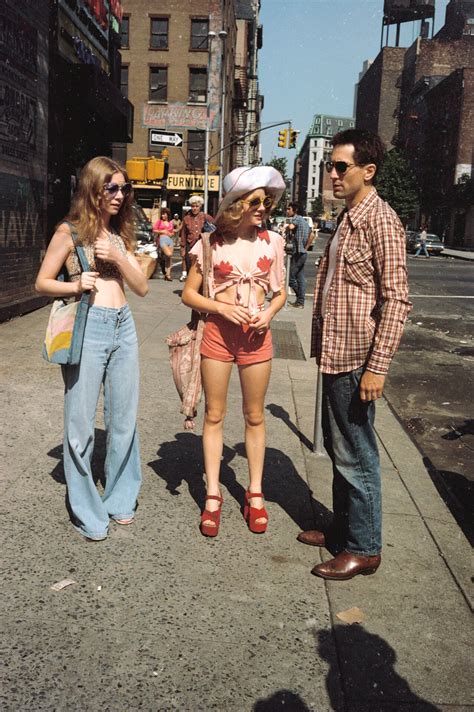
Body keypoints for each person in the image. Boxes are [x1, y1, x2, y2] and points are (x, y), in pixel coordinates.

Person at [298, 129, 411, 580]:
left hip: (357, 359)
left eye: (341, 166)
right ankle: (343, 530)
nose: (333, 173)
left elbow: (398, 299)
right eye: (331, 165)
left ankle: (364, 548)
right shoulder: (348, 217)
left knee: (356, 454)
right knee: (338, 446)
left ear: (369, 171)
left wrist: (377, 367)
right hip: (336, 354)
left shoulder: (380, 220)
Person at [35, 156, 149, 541]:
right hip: (90, 328)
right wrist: (75, 284)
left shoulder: (120, 232)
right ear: (93, 189)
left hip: (124, 326)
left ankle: (120, 498)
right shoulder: (69, 232)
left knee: (123, 420)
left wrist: (117, 255)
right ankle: (86, 508)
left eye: (124, 188)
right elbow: (42, 282)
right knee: (81, 425)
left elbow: (142, 287)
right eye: (112, 188)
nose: (120, 195)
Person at [182, 166, 286, 537]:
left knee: (255, 416)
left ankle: (254, 495)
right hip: (218, 336)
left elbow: (280, 293)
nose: (263, 207)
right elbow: (189, 294)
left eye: (266, 201)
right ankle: (213, 496)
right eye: (255, 200)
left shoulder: (272, 242)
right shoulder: (210, 245)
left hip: (257, 338)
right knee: (214, 414)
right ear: (236, 204)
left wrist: (269, 313)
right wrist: (222, 308)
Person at [285, 203, 313, 308]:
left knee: (290, 277)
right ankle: (300, 302)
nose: (287, 211)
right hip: (302, 253)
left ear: (295, 210)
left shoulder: (296, 219)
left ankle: (300, 298)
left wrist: (287, 228)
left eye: (289, 209)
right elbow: (312, 234)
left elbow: (291, 226)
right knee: (300, 278)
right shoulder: (305, 222)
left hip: (298, 253)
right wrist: (306, 247)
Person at [179, 195, 213, 282]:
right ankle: (191, 287)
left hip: (203, 246)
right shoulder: (186, 218)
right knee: (191, 267)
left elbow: (215, 228)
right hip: (190, 246)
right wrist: (182, 248)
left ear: (200, 206)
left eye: (197, 206)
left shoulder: (206, 217)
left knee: (202, 268)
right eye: (193, 206)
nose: (194, 208)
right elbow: (183, 234)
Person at [153, 207, 175, 281]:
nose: (163, 216)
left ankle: (168, 275)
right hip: (162, 239)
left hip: (170, 240)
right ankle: (162, 265)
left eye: (165, 214)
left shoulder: (171, 223)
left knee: (169, 257)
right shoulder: (159, 222)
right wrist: (162, 231)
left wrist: (171, 233)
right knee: (168, 254)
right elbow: (154, 230)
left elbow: (172, 232)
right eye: (162, 214)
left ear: (168, 215)